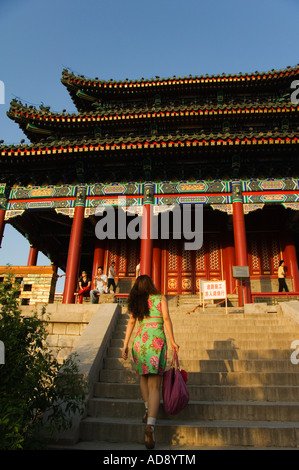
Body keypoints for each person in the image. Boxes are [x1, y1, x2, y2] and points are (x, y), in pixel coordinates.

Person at [122, 275, 179, 450]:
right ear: (151, 285)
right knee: (155, 386)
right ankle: (150, 427)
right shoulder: (159, 298)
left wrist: (125, 345)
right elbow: (167, 319)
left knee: (143, 378)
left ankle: (147, 411)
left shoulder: (137, 301)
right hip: (156, 341)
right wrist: (172, 341)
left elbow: (131, 322)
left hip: (140, 341)